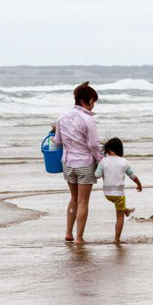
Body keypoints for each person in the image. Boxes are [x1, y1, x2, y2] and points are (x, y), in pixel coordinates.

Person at [53, 82, 103, 244]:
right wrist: (101, 160)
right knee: (83, 201)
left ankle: (68, 233)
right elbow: (94, 144)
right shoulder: (87, 120)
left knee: (73, 198)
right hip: (85, 163)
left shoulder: (62, 116)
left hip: (67, 163)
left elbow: (57, 141)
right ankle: (79, 238)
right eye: (92, 101)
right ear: (85, 101)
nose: (93, 105)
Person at [94, 137, 142, 244]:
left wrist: (97, 166)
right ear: (120, 149)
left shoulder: (103, 161)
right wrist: (139, 184)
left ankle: (126, 210)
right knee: (119, 217)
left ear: (107, 150)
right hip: (119, 194)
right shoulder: (124, 162)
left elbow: (96, 175)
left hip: (107, 194)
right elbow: (132, 175)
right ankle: (116, 239)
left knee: (118, 205)